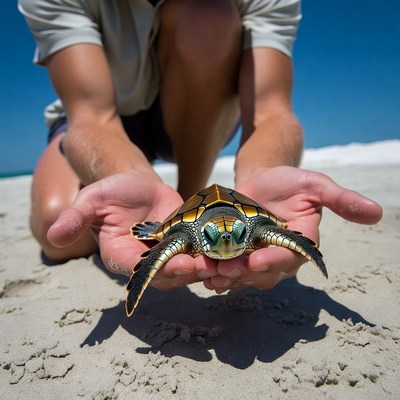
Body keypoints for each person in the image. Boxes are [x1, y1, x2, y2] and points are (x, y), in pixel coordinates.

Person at [19, 0, 382, 295]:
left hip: (197, 112)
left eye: (235, 237)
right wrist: (130, 176)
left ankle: (185, 195)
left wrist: (265, 170)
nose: (225, 243)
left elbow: (271, 111)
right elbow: (92, 117)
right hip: (101, 124)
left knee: (208, 13)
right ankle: (163, 210)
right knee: (60, 229)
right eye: (219, 239)